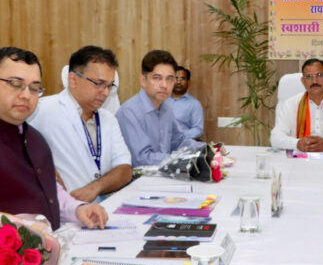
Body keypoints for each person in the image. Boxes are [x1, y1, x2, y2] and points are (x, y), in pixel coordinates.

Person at [0, 47, 107, 230]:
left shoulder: (36, 140)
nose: (26, 95)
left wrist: (77, 209)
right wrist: (25, 230)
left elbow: (50, 192)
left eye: (34, 88)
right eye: (15, 84)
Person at [30, 46, 132, 203]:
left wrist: (95, 188)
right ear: (73, 80)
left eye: (109, 85)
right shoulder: (42, 109)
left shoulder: (108, 119)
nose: (105, 92)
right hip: (62, 208)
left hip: (101, 206)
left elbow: (124, 169)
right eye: (99, 83)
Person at [116, 50, 205, 167]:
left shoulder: (166, 108)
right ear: (143, 80)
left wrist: (207, 149)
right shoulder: (129, 112)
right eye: (157, 78)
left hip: (164, 172)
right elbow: (142, 159)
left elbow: (179, 141)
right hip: (140, 176)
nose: (164, 85)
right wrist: (182, 159)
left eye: (169, 79)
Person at [168, 66, 204, 140]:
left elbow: (198, 129)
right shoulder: (161, 101)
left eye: (182, 79)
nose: (178, 82)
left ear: (188, 82)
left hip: (182, 143)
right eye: (176, 78)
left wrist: (179, 136)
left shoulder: (194, 104)